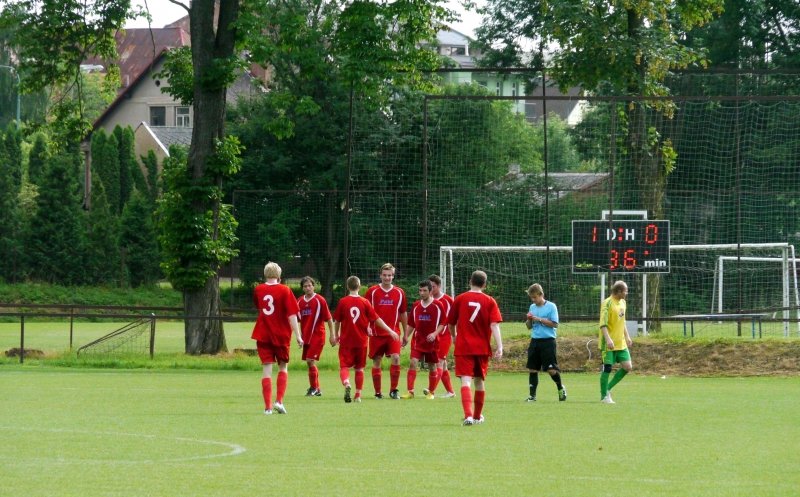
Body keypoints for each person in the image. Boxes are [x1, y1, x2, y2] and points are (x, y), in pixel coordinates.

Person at [448, 270, 503, 426]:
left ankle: (468, 416)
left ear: (470, 281)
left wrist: (454, 336)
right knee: (479, 381)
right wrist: (500, 346)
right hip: (481, 348)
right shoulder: (490, 301)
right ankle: (477, 416)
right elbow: (494, 325)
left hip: (464, 346)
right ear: (484, 284)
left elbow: (451, 323)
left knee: (466, 381)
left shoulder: (460, 299)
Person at [332, 275, 400, 403]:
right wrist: (390, 330)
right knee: (359, 368)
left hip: (346, 341)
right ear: (359, 286)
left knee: (344, 366)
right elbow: (377, 319)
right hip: (361, 341)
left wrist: (336, 335)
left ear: (347, 287)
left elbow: (337, 321)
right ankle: (358, 395)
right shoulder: (365, 302)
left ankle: (347, 383)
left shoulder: (343, 302)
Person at [251, 262, 303, 415]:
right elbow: (292, 314)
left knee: (267, 369)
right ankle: (279, 401)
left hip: (263, 334)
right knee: (283, 367)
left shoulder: (258, 289)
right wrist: (298, 335)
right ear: (279, 275)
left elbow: (259, 306)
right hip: (281, 334)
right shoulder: (285, 290)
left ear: (265, 274)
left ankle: (267, 408)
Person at [364, 263, 408, 399]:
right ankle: (378, 392)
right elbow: (365, 311)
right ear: (380, 275)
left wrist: (405, 333)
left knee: (396, 357)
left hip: (393, 333)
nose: (387, 278)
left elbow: (403, 313)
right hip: (376, 333)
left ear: (393, 276)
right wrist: (367, 326)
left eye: (389, 275)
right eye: (384, 275)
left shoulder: (399, 292)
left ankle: (394, 390)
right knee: (377, 360)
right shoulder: (372, 291)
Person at [401, 280, 445, 399]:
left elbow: (443, 323)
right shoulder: (416, 305)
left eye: (424, 290)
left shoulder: (438, 305)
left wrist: (435, 334)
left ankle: (431, 392)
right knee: (413, 363)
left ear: (430, 291)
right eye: (420, 290)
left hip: (432, 342)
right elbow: (411, 324)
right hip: (418, 341)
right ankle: (410, 392)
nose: (421, 293)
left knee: (432, 366)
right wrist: (406, 336)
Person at [524, 283, 566, 402]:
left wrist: (540, 319)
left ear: (541, 294)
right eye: (531, 297)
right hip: (535, 341)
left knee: (551, 370)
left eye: (535, 297)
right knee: (532, 369)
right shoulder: (532, 307)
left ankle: (561, 388)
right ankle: (532, 396)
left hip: (548, 341)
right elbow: (529, 327)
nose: (533, 300)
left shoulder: (551, 306)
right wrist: (529, 320)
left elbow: (555, 324)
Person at [297, 276, 334, 397]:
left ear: (314, 286)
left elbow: (329, 318)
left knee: (310, 360)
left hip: (318, 336)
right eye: (305, 286)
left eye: (310, 285)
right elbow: (296, 319)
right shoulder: (300, 301)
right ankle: (317, 388)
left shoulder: (320, 300)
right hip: (306, 337)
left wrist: (332, 335)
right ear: (302, 288)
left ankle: (313, 388)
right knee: (309, 363)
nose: (308, 288)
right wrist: (298, 336)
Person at [599, 280, 633, 404]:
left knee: (628, 367)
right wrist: (608, 339)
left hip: (621, 342)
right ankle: (604, 397)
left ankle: (607, 389)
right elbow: (603, 324)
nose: (627, 293)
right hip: (608, 343)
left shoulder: (623, 302)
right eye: (625, 291)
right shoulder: (607, 303)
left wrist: (627, 336)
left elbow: (623, 321)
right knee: (607, 368)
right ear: (619, 291)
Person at [429, 274, 456, 398]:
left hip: (445, 336)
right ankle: (450, 392)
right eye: (430, 286)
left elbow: (455, 318)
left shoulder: (448, 300)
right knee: (443, 364)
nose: (431, 289)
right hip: (432, 337)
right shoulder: (428, 300)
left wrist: (455, 334)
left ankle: (431, 390)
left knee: (439, 362)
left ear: (439, 286)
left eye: (433, 286)